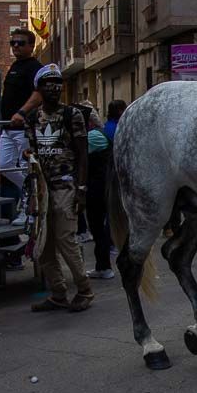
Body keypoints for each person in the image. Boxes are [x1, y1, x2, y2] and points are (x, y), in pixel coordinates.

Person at [25, 64, 93, 312]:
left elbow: (83, 153)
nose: (54, 88)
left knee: (66, 239)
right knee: (43, 244)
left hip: (66, 185)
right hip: (42, 188)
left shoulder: (71, 114)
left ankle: (84, 289)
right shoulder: (33, 119)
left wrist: (82, 188)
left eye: (57, 83)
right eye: (48, 84)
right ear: (39, 88)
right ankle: (58, 292)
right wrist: (33, 194)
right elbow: (33, 155)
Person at [0, 29, 43, 228]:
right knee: (4, 166)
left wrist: (22, 113)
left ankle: (29, 207)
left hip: (24, 128)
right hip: (7, 127)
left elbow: (39, 93)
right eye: (13, 42)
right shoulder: (15, 66)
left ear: (31, 46)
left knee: (26, 167)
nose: (16, 46)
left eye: (20, 43)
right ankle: (32, 193)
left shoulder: (35, 67)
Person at [84, 107, 114, 280]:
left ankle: (103, 266)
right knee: (102, 226)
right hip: (105, 186)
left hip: (97, 188)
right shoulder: (100, 133)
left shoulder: (92, 136)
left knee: (97, 227)